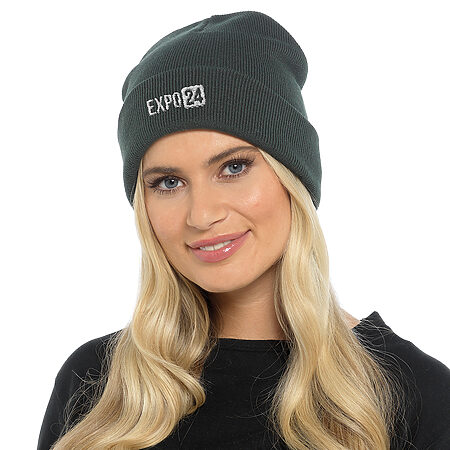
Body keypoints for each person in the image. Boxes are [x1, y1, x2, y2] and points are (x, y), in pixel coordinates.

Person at [37, 10, 450, 450]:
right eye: (168, 182)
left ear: (292, 177)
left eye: (233, 167)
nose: (201, 215)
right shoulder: (98, 388)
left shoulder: (416, 396)